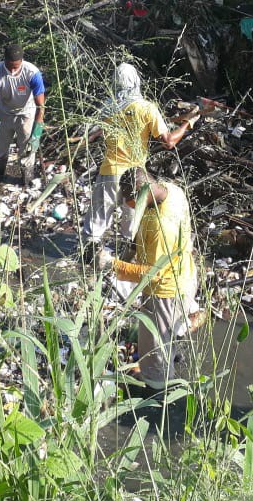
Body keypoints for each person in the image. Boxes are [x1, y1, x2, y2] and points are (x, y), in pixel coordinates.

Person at [81, 63, 196, 254]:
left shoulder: (108, 108)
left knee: (96, 224)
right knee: (131, 228)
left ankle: (88, 263)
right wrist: (187, 124)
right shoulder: (146, 108)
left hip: (109, 172)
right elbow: (169, 142)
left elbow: (103, 130)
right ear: (136, 82)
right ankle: (126, 267)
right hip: (135, 178)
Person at [99, 169, 197, 388]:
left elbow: (153, 273)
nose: (128, 204)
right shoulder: (171, 191)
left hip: (166, 292)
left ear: (141, 193)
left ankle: (157, 392)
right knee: (164, 338)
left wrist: (111, 264)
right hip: (185, 274)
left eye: (130, 200)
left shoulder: (161, 227)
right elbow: (142, 232)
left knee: (153, 353)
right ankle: (170, 358)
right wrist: (128, 253)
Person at [0, 43, 46, 187]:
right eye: (9, 67)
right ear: (4, 60)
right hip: (4, 112)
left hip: (26, 113)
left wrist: (36, 134)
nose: (12, 71)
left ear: (21, 62)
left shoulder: (32, 73)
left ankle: (26, 180)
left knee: (27, 150)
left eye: (16, 67)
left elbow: (41, 106)